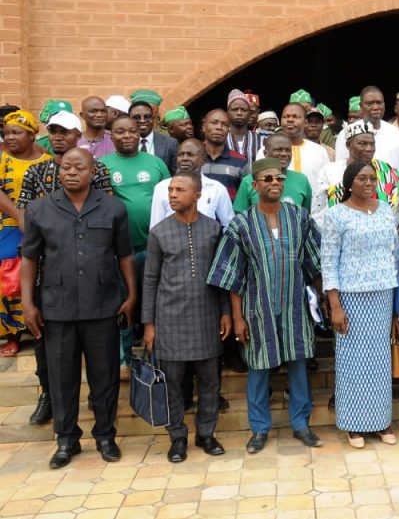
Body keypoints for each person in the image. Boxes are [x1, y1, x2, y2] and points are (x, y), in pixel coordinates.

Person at [20, 148, 136, 469]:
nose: (71, 172)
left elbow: (125, 255)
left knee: (105, 376)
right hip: (57, 308)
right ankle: (66, 440)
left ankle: (105, 436)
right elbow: (29, 258)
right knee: (61, 378)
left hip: (103, 306)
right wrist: (28, 304)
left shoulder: (113, 208)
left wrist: (131, 295)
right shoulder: (39, 209)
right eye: (66, 167)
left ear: (92, 171)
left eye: (79, 167)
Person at [207, 157, 323, 453]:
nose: (275, 183)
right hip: (257, 309)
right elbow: (233, 275)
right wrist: (237, 318)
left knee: (298, 365)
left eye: (280, 178)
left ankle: (301, 424)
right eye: (268, 179)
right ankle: (259, 429)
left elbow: (315, 262)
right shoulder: (241, 223)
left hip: (295, 306)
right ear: (254, 185)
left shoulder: (299, 217)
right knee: (258, 367)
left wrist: (325, 300)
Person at [15, 111, 113, 423]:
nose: (58, 136)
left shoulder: (96, 170)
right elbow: (25, 220)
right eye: (53, 131)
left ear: (77, 135)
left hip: (91, 276)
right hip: (48, 276)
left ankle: (99, 410)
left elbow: (105, 215)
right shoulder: (36, 172)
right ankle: (49, 398)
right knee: (49, 350)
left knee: (99, 360)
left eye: (65, 131)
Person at [142, 171, 230, 462]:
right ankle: (177, 437)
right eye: (170, 190)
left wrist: (226, 312)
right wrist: (149, 324)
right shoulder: (159, 232)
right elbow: (150, 279)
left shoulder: (213, 230)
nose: (173, 195)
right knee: (173, 383)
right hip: (169, 318)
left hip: (207, 315)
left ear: (197, 195)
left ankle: (206, 433)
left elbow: (221, 276)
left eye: (180, 190)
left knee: (210, 382)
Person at [322, 161, 399, 449]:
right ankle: (354, 423)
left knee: (379, 362)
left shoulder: (386, 210)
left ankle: (381, 421)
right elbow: (328, 261)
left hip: (383, 294)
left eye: (372, 178)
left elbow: (395, 254)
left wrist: (397, 303)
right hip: (351, 297)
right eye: (361, 178)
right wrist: (335, 304)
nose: (368, 183)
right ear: (349, 183)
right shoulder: (336, 215)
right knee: (353, 362)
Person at [100, 115, 171, 361]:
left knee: (156, 298)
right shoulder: (102, 165)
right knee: (124, 299)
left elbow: (169, 200)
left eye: (132, 131)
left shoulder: (156, 163)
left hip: (154, 247)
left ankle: (157, 351)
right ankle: (125, 352)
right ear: (111, 136)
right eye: (120, 131)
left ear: (139, 134)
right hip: (119, 250)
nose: (127, 135)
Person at [0, 110, 51, 354]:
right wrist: (19, 215)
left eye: (16, 132)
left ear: (32, 135)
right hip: (8, 225)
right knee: (7, 270)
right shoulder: (2, 160)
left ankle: (40, 326)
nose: (10, 137)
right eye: (7, 133)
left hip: (42, 225)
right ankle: (13, 333)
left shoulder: (47, 161)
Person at [320, 120, 399, 218]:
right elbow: (320, 209)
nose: (369, 149)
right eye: (362, 144)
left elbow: (395, 212)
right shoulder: (330, 171)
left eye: (372, 144)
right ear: (348, 145)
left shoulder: (386, 171)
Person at [150, 138, 234, 229]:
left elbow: (229, 225)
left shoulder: (217, 189)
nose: (184, 159)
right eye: (180, 155)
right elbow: (155, 227)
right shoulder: (162, 188)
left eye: (190, 155)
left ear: (204, 160)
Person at [333, 86, 399, 173]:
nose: (376, 107)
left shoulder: (394, 132)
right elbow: (341, 169)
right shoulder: (348, 133)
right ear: (361, 106)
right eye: (370, 104)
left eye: (379, 103)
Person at [233, 133, 312, 214]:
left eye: (288, 150)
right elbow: (239, 215)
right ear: (265, 153)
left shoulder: (302, 180)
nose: (284, 154)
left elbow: (305, 215)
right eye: (278, 150)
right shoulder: (249, 181)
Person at [200, 109, 248, 200]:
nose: (219, 127)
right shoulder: (192, 157)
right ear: (204, 127)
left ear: (228, 130)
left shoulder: (240, 161)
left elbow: (246, 197)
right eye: (214, 123)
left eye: (225, 124)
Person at [129, 100, 177, 174]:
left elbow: (177, 174)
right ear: (129, 119)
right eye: (136, 117)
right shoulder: (122, 143)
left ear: (153, 118)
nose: (142, 121)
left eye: (147, 117)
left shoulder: (170, 143)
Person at [225, 88, 263, 164]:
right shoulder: (221, 140)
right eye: (235, 109)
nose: (239, 113)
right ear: (228, 113)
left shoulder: (262, 141)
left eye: (243, 110)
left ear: (249, 113)